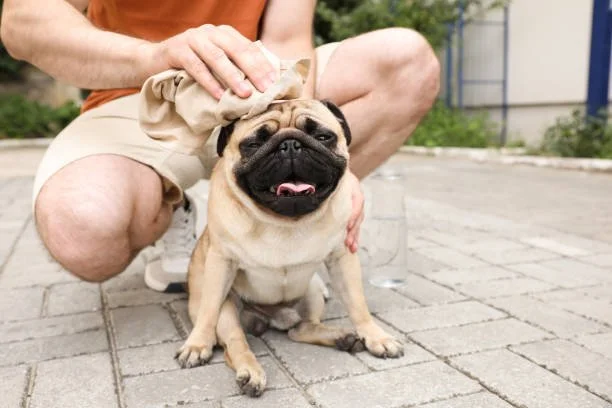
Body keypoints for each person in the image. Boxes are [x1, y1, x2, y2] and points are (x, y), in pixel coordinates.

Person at [1, 0, 440, 292]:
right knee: (83, 233)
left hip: (254, 89)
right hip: (134, 93)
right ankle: (176, 206)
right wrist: (154, 57)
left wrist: (310, 153)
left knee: (407, 61)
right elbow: (23, 23)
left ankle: (291, 229)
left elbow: (286, 40)